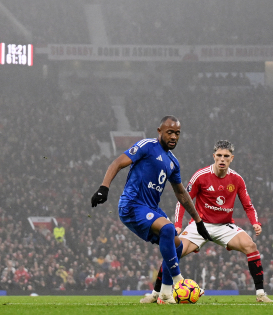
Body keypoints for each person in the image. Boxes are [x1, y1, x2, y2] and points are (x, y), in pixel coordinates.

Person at [90, 115, 211, 304]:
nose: (173, 137)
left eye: (177, 133)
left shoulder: (173, 162)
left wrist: (198, 221)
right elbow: (117, 163)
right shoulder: (147, 146)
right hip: (132, 205)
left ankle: (159, 293)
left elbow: (181, 193)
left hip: (150, 208)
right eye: (169, 132)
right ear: (159, 131)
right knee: (169, 229)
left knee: (177, 245)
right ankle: (179, 283)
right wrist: (104, 188)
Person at [155, 140, 272, 303]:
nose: (222, 159)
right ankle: (156, 293)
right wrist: (177, 225)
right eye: (219, 156)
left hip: (225, 226)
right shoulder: (201, 176)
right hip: (200, 226)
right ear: (214, 156)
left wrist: (255, 222)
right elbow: (183, 200)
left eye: (226, 156)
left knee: (251, 246)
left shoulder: (237, 179)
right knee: (173, 251)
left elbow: (248, 205)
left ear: (232, 158)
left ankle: (260, 294)